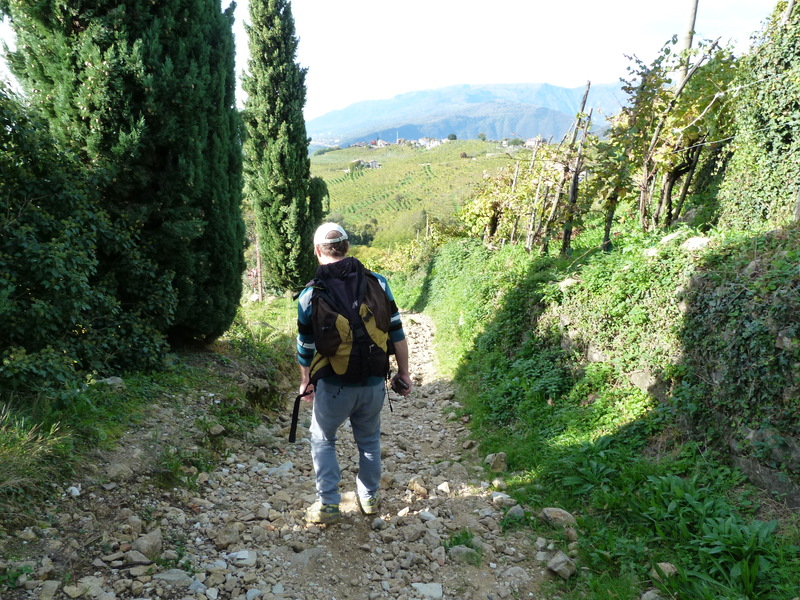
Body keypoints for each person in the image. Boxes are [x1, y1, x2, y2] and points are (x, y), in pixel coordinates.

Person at [296, 222, 412, 525]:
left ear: (317, 251)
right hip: (373, 381)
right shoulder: (378, 283)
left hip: (333, 384)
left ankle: (328, 504)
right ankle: (369, 498)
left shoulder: (310, 294)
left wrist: (306, 381)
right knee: (369, 440)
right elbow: (397, 332)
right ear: (347, 247)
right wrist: (404, 373)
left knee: (323, 439)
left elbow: (305, 345)